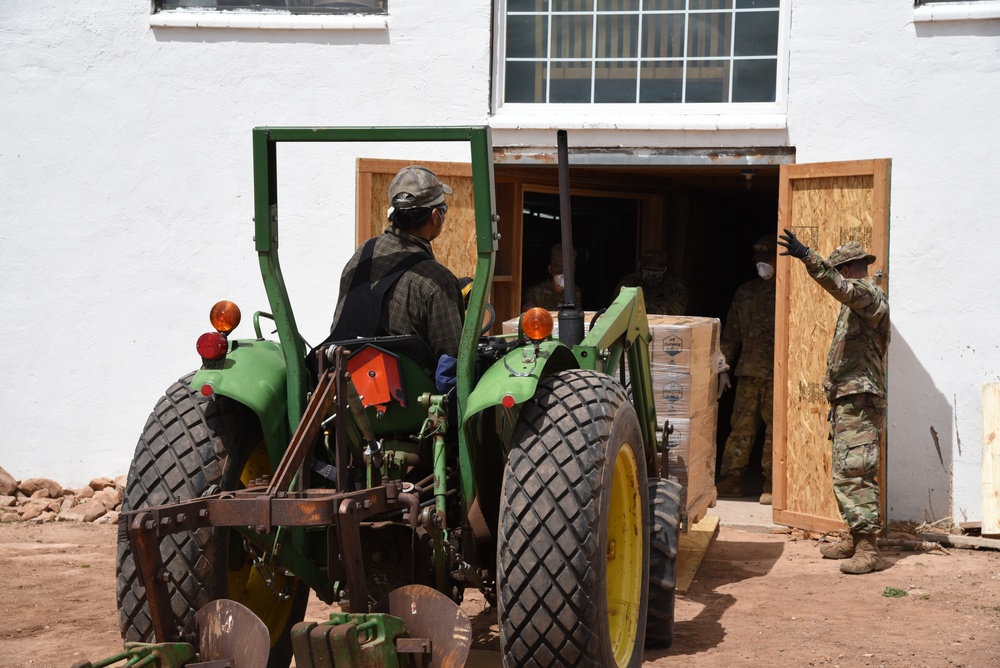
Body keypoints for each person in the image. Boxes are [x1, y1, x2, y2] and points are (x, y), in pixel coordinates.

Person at [778, 230, 890, 575]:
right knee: (846, 468)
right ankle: (856, 537)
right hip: (849, 398)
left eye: (839, 271)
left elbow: (839, 288)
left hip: (861, 398)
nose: (839, 277)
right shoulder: (856, 302)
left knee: (856, 469)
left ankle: (868, 548)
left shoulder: (868, 295)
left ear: (848, 269)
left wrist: (808, 256)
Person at [328, 165, 465, 362]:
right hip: (407, 390)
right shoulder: (438, 280)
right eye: (444, 209)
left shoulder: (364, 252)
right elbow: (453, 360)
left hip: (343, 378)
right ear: (435, 216)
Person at [716, 235, 777, 505]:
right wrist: (723, 366)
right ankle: (732, 479)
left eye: (766, 259)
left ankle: (774, 482)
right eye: (757, 259)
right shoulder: (746, 292)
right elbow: (731, 334)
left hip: (779, 375)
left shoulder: (794, 291)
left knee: (776, 431)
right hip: (749, 371)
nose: (760, 264)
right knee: (740, 428)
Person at [615, 249, 688, 315]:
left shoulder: (675, 285)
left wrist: (647, 311)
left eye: (656, 270)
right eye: (648, 269)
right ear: (640, 267)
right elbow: (617, 308)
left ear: (665, 270)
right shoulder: (629, 283)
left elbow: (675, 309)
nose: (651, 273)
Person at [522, 243, 581, 311]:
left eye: (566, 273)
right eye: (559, 272)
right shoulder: (537, 294)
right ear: (550, 269)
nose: (562, 275)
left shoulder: (575, 292)